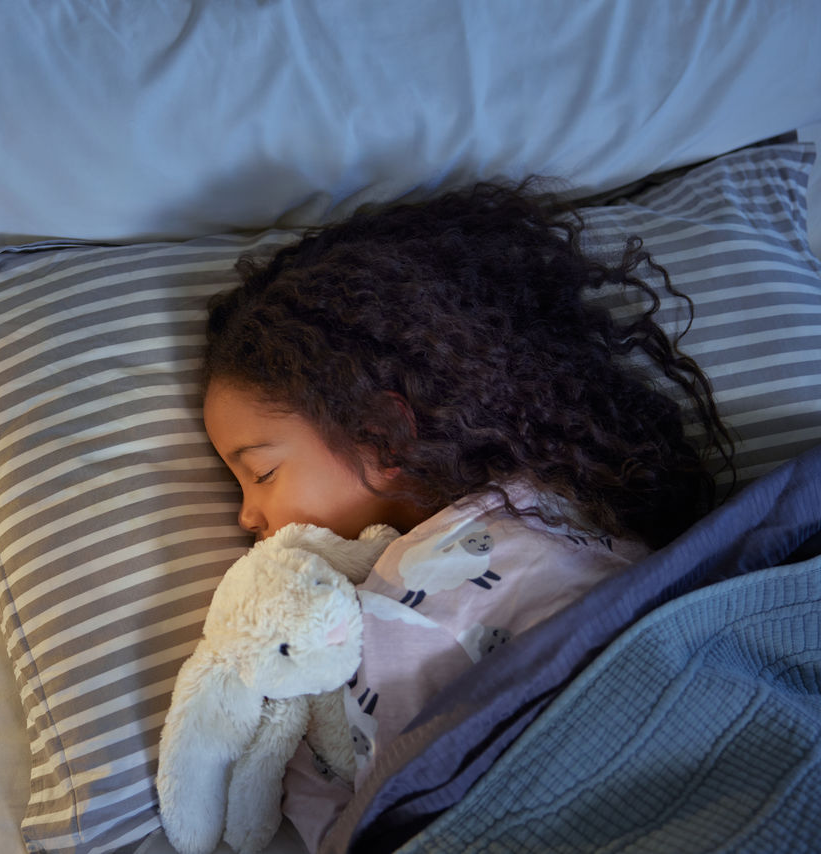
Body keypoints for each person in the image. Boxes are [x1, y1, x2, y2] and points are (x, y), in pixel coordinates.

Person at [200, 180, 735, 850]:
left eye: (260, 472)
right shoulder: (563, 500)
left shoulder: (412, 587)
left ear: (384, 435)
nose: (246, 515)